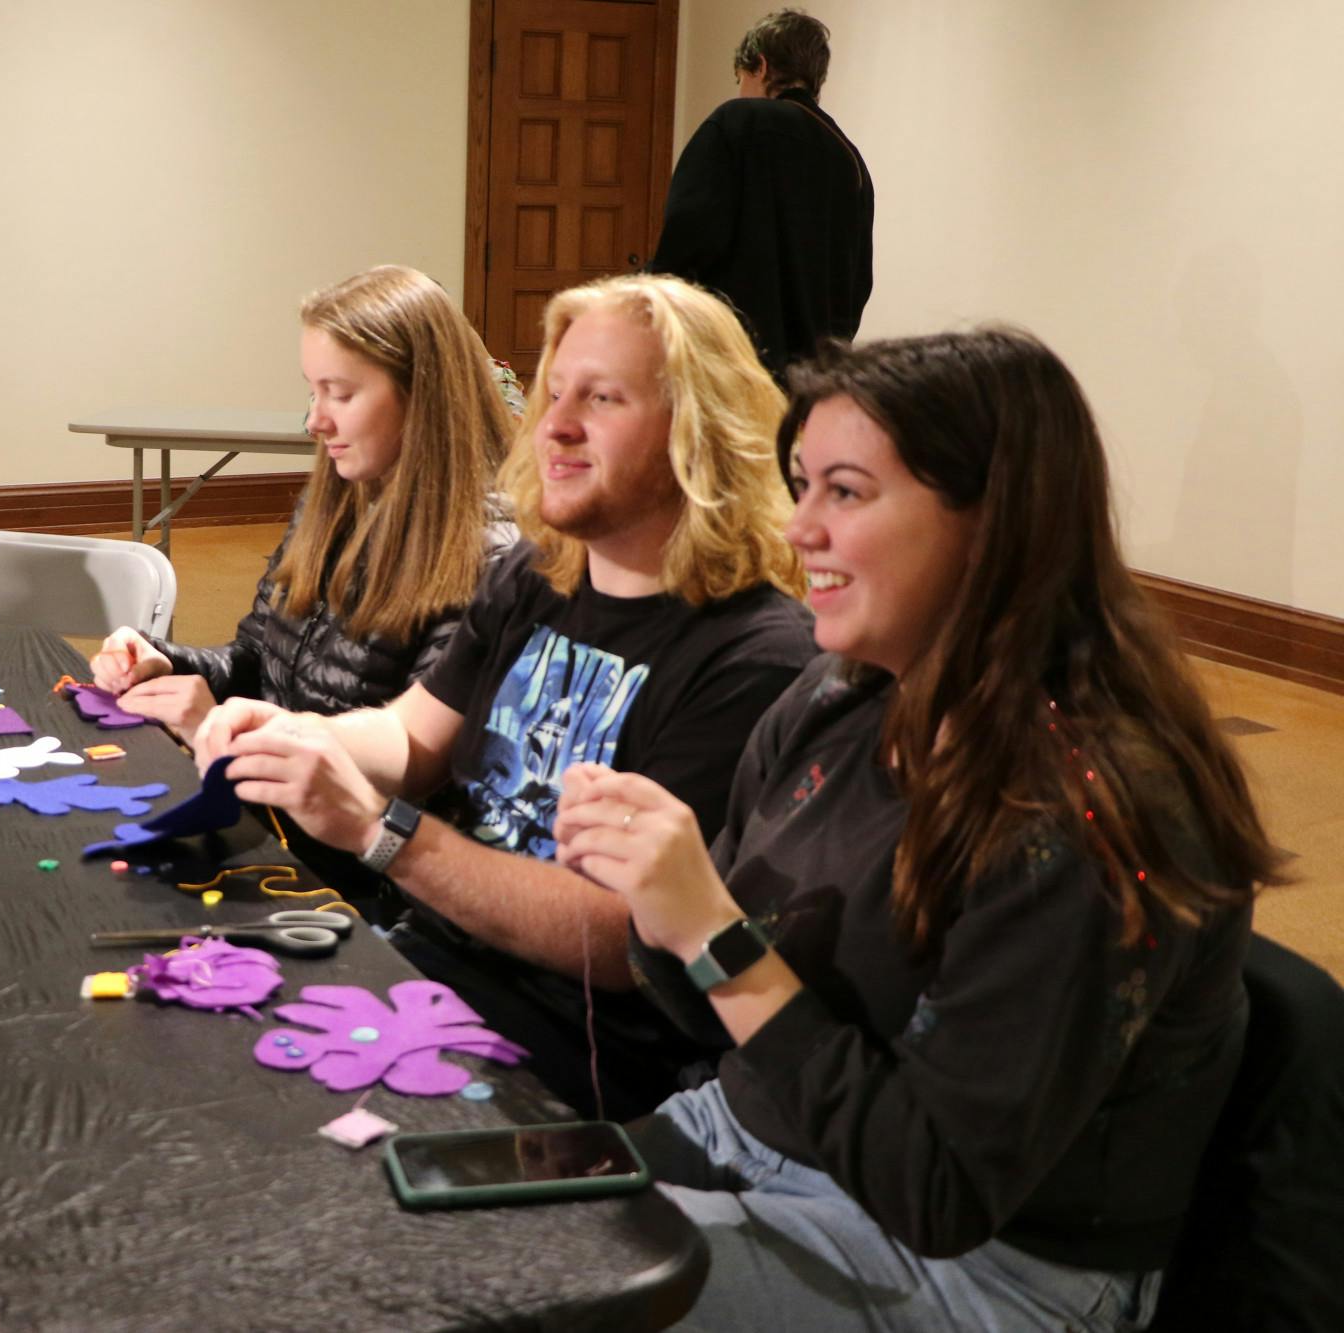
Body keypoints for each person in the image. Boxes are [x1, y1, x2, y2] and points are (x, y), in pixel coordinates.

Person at [554, 329, 1283, 1329]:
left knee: (514, 1287)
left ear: (992, 524)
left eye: (843, 493)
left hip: (981, 1264)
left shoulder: (1090, 811)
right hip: (759, 1135)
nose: (797, 526)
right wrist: (658, 898)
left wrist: (715, 938)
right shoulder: (835, 695)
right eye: (799, 484)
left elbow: (935, 1192)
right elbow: (706, 1014)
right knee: (428, 1226)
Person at [194, 275, 816, 1119]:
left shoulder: (754, 656)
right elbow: (412, 740)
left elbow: (625, 938)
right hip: (425, 968)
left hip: (571, 1059)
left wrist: (383, 839)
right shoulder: (538, 574)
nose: (553, 424)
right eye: (555, 391)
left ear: (699, 433)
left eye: (601, 398)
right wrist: (301, 734)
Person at [90, 265, 518, 744]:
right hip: (268, 795)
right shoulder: (328, 504)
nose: (315, 420)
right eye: (312, 392)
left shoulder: (489, 559)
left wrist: (221, 734)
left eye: (339, 394)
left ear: (424, 395)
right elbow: (256, 662)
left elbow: (416, 776)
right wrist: (165, 662)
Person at [647, 8, 873, 382]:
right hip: (811, 377)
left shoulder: (737, 124)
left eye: (741, 78)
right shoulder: (848, 158)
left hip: (728, 364)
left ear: (762, 66)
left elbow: (685, 240)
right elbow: (857, 281)